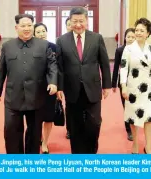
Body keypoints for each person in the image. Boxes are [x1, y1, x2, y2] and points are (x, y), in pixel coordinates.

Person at [0, 14, 58, 154]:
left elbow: (52, 65)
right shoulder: (8, 46)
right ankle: (15, 164)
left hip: (36, 96)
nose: (27, 28)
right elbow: (1, 70)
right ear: (16, 28)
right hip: (13, 97)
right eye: (23, 26)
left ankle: (30, 164)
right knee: (11, 132)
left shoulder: (43, 45)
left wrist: (53, 82)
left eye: (29, 25)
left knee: (34, 134)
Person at [56, 7, 111, 154]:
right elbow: (60, 67)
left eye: (81, 21)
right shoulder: (62, 40)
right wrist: (59, 88)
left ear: (87, 21)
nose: (78, 24)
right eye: (75, 21)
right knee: (75, 126)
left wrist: (106, 85)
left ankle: (91, 154)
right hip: (72, 89)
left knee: (94, 124)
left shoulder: (96, 38)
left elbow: (104, 63)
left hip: (92, 88)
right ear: (69, 21)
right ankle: (77, 155)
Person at [120, 18, 151, 154]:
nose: (138, 33)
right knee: (133, 117)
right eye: (136, 30)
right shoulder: (128, 48)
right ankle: (136, 144)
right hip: (133, 88)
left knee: (149, 117)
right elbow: (123, 68)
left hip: (148, 89)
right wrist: (123, 86)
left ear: (148, 33)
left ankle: (148, 146)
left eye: (141, 31)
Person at [33, 22, 57, 154]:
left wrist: (58, 87)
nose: (41, 34)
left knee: (48, 117)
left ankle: (45, 143)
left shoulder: (54, 47)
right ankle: (40, 138)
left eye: (43, 31)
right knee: (36, 117)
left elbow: (58, 68)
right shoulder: (30, 47)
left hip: (50, 87)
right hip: (35, 88)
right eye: (38, 32)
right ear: (34, 34)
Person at [112, 28, 135, 141]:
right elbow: (116, 67)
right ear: (125, 38)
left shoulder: (138, 51)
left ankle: (134, 124)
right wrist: (114, 84)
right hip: (124, 82)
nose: (130, 39)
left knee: (134, 105)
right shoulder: (120, 50)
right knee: (126, 106)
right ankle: (128, 130)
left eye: (133, 37)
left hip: (136, 82)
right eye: (128, 37)